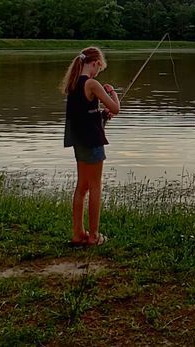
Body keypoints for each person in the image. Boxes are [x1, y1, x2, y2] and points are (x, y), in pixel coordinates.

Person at [61, 47, 120, 247]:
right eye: (99, 67)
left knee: (82, 187)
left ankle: (78, 234)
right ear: (94, 63)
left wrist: (101, 116)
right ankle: (94, 236)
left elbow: (84, 114)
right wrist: (112, 92)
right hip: (92, 143)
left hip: (79, 142)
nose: (97, 72)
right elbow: (116, 108)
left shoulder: (73, 84)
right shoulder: (92, 84)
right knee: (95, 187)